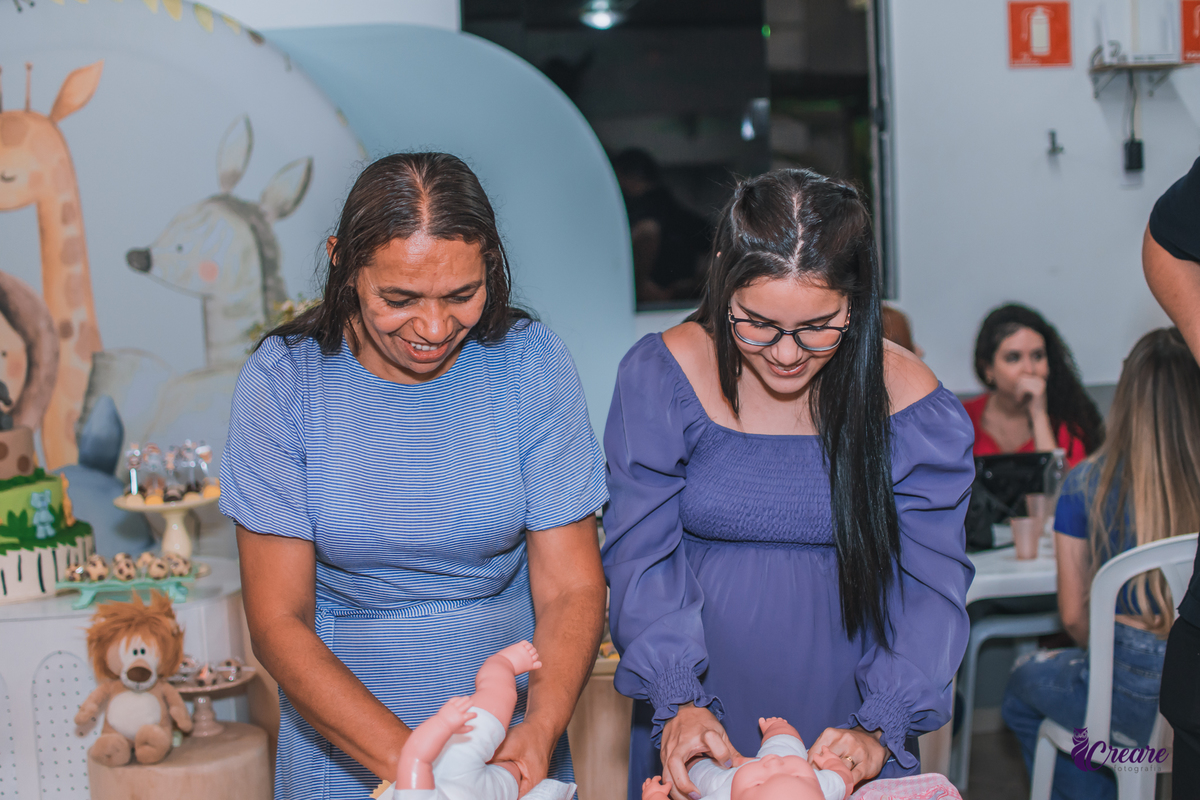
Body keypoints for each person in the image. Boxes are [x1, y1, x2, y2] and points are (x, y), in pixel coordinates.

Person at [219, 153, 609, 799]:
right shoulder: (285, 381)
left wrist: (538, 728)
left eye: (462, 295)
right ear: (343, 262)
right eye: (399, 299)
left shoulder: (531, 364)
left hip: (507, 745)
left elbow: (572, 588)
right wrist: (418, 771)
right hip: (343, 748)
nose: (433, 328)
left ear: (491, 262)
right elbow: (277, 620)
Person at [601, 168, 976, 800]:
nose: (785, 354)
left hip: (850, 719)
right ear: (723, 283)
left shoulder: (913, 404)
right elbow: (641, 553)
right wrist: (678, 697)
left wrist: (881, 723)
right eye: (757, 324)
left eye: (818, 327)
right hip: (700, 718)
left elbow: (931, 587)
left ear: (857, 301)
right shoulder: (663, 373)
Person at [1000, 327, 1200, 799]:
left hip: (1126, 694)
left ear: (1126, 395)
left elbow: (1072, 617)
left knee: (1023, 684)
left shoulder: (1084, 484)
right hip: (1191, 689)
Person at [1143, 156, 1200, 800]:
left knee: (1030, 698)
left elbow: (1075, 617)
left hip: (1126, 731)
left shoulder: (1084, 489)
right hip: (1153, 724)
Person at [378, 641, 574, 800]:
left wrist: (443, 724)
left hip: (457, 759)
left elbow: (414, 757)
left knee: (499, 695)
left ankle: (501, 664)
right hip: (489, 792)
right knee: (518, 774)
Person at [963, 304, 1102, 468]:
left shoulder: (1068, 426)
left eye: (1038, 356)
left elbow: (1062, 490)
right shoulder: (960, 418)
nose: (1029, 370)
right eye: (1013, 358)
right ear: (988, 369)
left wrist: (1038, 415)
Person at [640, 716, 853, 800]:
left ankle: (695, 763)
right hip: (779, 758)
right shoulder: (824, 788)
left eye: (759, 783)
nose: (773, 763)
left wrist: (655, 797)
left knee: (694, 775)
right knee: (786, 745)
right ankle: (777, 727)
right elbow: (844, 779)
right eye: (798, 776)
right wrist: (833, 763)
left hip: (727, 782)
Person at [612, 148, 713, 304]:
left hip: (650, 302)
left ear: (630, 177)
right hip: (680, 302)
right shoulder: (676, 211)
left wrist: (648, 288)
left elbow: (647, 233)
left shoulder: (638, 212)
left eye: (618, 178)